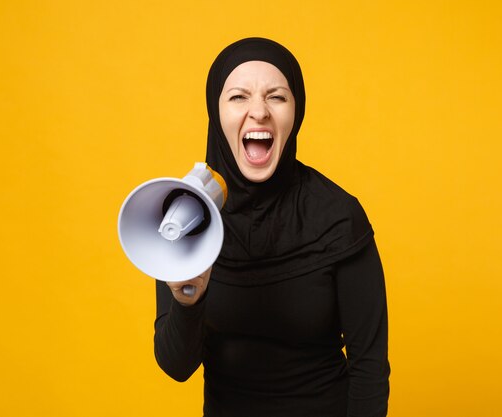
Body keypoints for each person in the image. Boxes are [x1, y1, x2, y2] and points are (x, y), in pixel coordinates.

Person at [154, 37, 390, 417]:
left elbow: (370, 367)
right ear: (216, 112)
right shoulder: (185, 215)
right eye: (238, 97)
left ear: (296, 112)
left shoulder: (338, 216)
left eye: (277, 97)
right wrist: (187, 300)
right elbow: (176, 367)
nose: (259, 112)